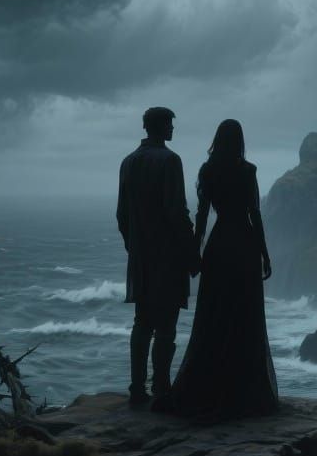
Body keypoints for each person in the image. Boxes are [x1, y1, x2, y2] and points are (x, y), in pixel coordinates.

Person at [159, 119, 278, 421]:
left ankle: (207, 387)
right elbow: (255, 214)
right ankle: (246, 390)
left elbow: (201, 215)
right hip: (245, 246)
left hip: (219, 244)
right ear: (239, 140)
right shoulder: (248, 171)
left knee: (214, 315)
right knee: (245, 315)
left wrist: (195, 252)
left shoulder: (208, 171)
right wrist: (264, 252)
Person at [116, 106, 196, 406]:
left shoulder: (128, 162)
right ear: (160, 127)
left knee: (142, 321)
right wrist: (191, 253)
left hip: (140, 256)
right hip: (168, 255)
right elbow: (176, 212)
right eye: (170, 124)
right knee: (166, 327)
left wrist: (133, 246)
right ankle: (161, 388)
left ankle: (137, 388)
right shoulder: (170, 161)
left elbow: (122, 214)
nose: (173, 129)